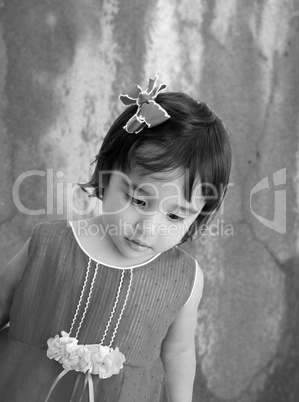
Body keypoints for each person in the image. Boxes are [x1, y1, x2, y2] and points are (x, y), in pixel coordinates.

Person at [0, 75, 231, 402]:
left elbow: (178, 352)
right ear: (106, 176)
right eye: (137, 200)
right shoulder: (50, 243)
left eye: (175, 215)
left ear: (199, 216)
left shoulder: (186, 279)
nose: (148, 227)